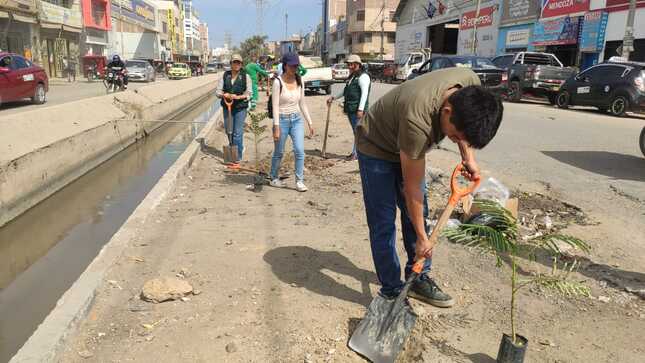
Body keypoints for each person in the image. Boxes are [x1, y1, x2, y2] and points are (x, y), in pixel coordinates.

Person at [356, 67, 503, 307]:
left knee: (417, 218)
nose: (456, 141)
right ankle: (392, 290)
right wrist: (424, 239)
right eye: (454, 137)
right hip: (376, 145)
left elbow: (465, 130)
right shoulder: (418, 119)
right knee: (383, 222)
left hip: (406, 139)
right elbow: (412, 189)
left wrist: (469, 158)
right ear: (447, 111)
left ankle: (417, 279)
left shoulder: (470, 84)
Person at [270, 52, 315, 192]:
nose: (294, 68)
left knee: (299, 151)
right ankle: (273, 177)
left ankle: (299, 181)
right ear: (285, 65)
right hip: (282, 120)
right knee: (279, 152)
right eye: (292, 66)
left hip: (296, 120)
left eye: (296, 66)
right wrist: (276, 127)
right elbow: (275, 106)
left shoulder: (300, 80)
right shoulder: (278, 82)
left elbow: (302, 103)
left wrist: (310, 122)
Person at [327, 54, 371, 160]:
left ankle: (357, 154)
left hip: (357, 110)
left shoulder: (363, 77)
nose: (350, 66)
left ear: (358, 64)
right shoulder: (353, 76)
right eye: (349, 64)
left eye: (352, 64)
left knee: (359, 133)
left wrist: (360, 109)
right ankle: (356, 153)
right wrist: (334, 98)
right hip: (351, 109)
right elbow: (345, 91)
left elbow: (364, 94)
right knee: (356, 132)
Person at [216, 54, 252, 165]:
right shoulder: (225, 75)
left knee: (237, 133)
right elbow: (218, 92)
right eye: (234, 62)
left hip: (240, 107)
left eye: (238, 63)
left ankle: (237, 157)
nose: (236, 64)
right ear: (231, 64)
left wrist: (238, 97)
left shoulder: (246, 76)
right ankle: (235, 149)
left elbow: (249, 93)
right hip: (227, 107)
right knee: (228, 131)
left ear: (241, 64)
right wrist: (224, 95)